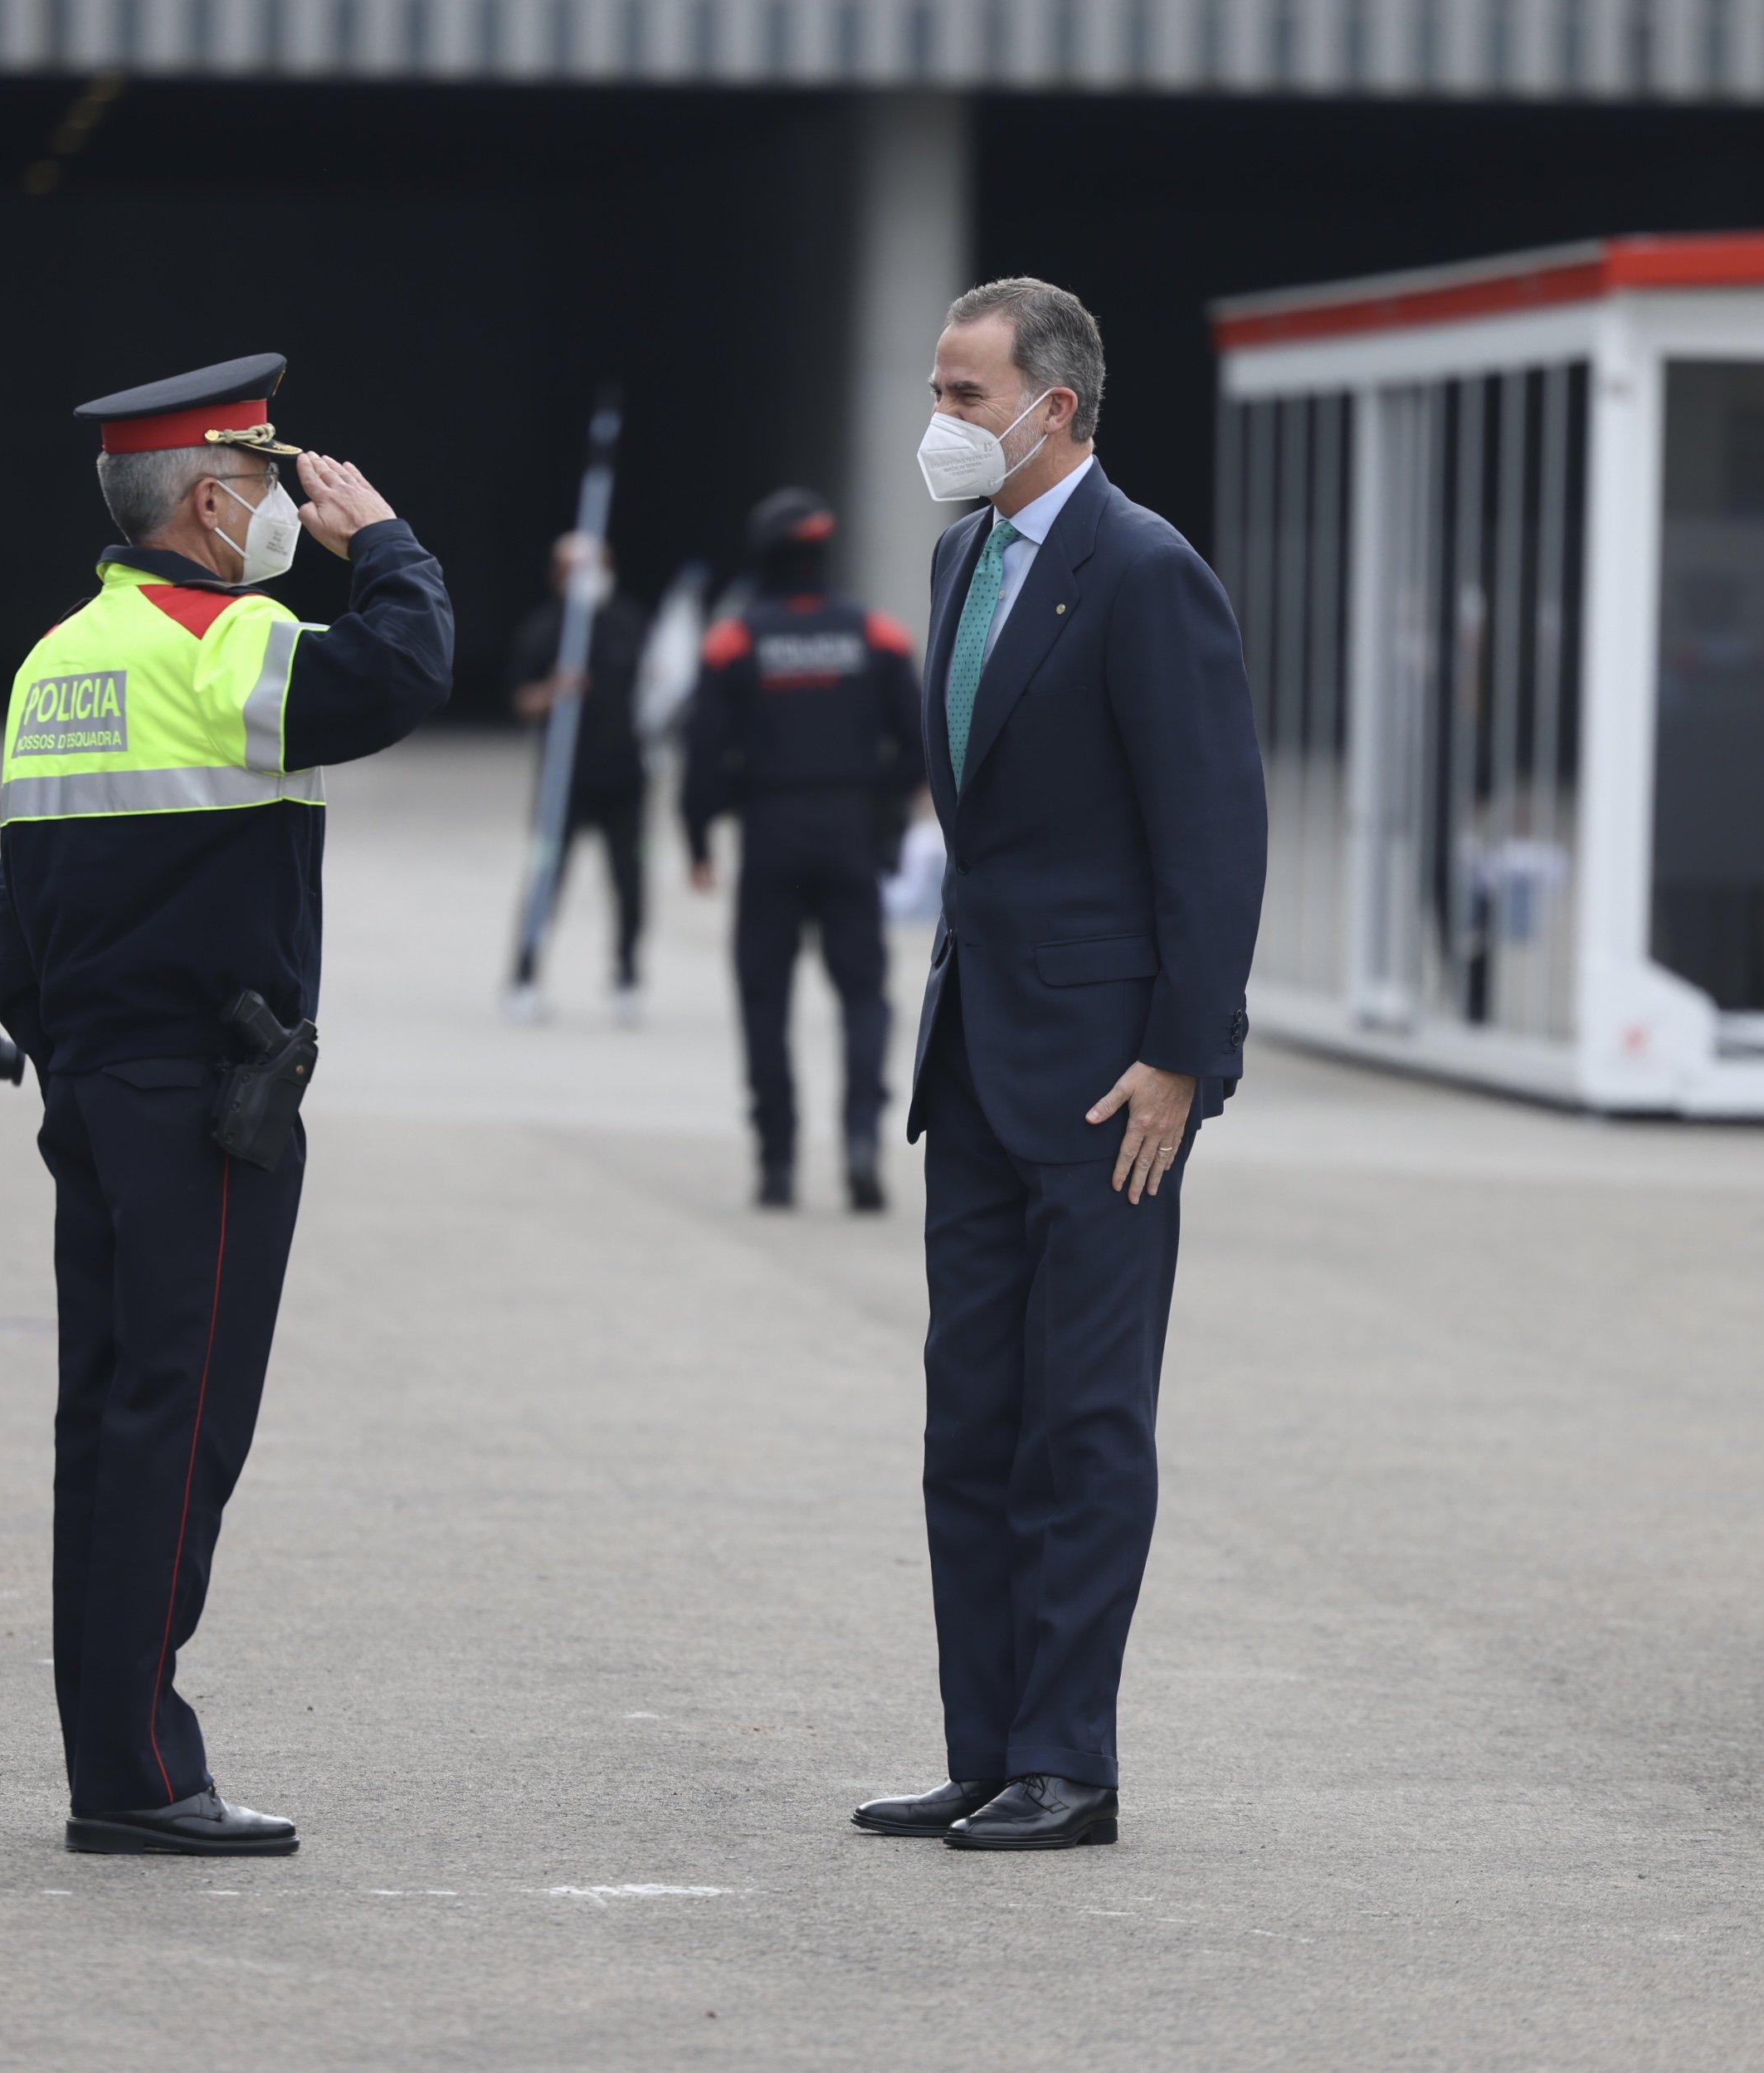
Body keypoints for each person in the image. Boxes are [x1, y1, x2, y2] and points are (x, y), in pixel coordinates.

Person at [0, 356, 452, 1855]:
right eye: (263, 482)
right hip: (205, 1096)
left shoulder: (64, 651)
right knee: (182, 1428)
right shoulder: (224, 637)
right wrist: (380, 539)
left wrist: (72, 1062)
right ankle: (137, 1771)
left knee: (108, 1421)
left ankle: (108, 1750)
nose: (279, 505)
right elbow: (403, 670)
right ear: (207, 501)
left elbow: (18, 908)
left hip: (99, 1088)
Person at [849, 279, 1265, 1851]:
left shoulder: (1146, 574)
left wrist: (1182, 1058)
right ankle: (984, 1746)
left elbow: (1213, 840)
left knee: (1083, 1423)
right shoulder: (963, 554)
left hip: (1109, 1084)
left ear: (1056, 410)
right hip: (974, 1057)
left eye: (966, 395)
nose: (941, 422)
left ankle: (1067, 1759)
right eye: (941, 389)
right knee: (971, 1416)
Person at [680, 487, 925, 1211]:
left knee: (764, 1000)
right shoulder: (875, 634)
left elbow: (701, 753)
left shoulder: (734, 639)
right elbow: (918, 748)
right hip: (850, 835)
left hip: (770, 835)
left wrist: (698, 836)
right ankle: (858, 1139)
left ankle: (778, 1160)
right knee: (863, 997)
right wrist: (880, 820)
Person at [504, 532, 651, 1026]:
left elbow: (656, 689)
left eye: (598, 564)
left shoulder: (630, 623)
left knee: (630, 883)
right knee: (547, 880)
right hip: (563, 782)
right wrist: (555, 691)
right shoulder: (546, 631)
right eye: (576, 567)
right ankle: (524, 978)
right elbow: (521, 703)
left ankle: (627, 979)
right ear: (558, 575)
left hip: (624, 780)